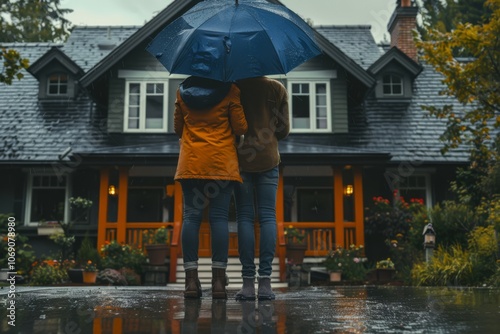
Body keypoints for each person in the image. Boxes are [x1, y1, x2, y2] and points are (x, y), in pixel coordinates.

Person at [174, 75, 247, 299]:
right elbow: (240, 126)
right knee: (218, 218)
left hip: (192, 162)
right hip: (220, 163)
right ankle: (218, 282)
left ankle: (191, 282)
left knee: (191, 218)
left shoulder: (182, 91)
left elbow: (178, 128)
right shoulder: (230, 89)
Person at [234, 76, 290, 300]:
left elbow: (232, 125)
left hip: (241, 160)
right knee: (268, 217)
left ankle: (248, 283)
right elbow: (284, 130)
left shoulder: (235, 88)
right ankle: (265, 283)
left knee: (244, 218)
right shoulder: (276, 88)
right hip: (268, 159)